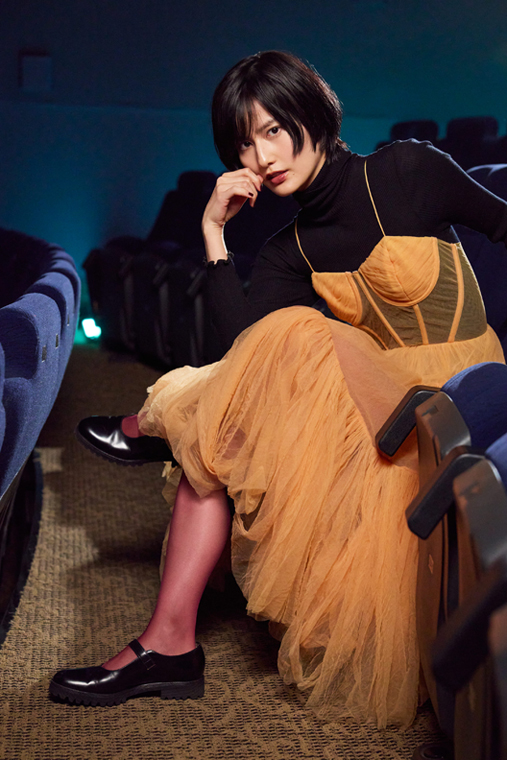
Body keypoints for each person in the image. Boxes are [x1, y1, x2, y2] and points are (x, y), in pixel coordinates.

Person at [50, 51, 507, 727]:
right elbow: (244, 357)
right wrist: (213, 231)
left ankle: (154, 426)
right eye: (243, 143)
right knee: (227, 428)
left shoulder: (406, 171)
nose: (260, 157)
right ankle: (168, 642)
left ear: (311, 115)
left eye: (271, 130)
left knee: (288, 341)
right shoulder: (290, 248)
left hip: (460, 393)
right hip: (382, 412)